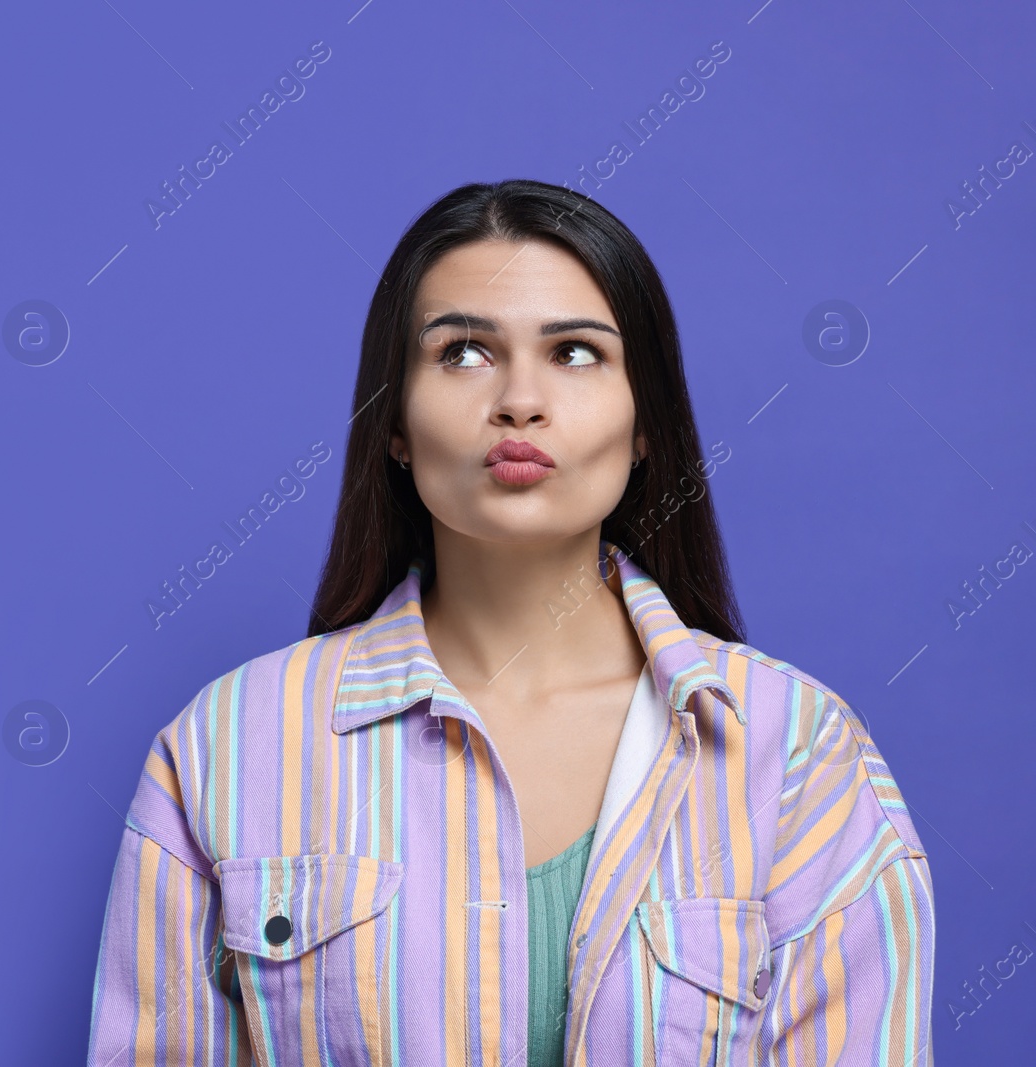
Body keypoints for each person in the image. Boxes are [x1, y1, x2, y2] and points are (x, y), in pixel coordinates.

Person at [85, 179, 934, 1066]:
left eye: (574, 353)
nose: (519, 401)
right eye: (462, 353)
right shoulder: (227, 746)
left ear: (647, 424)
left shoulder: (798, 754)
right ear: (396, 426)